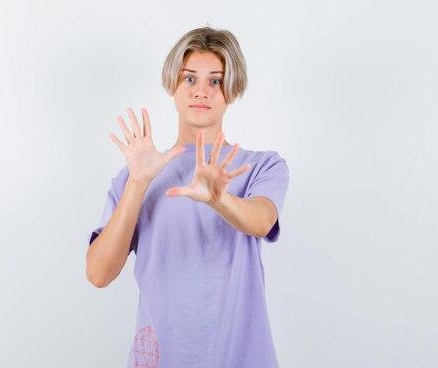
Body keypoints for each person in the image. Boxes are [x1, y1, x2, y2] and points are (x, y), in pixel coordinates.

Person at [85, 26, 290, 368]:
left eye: (215, 80)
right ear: (174, 85)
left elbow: (262, 220)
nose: (202, 92)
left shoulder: (261, 166)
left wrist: (217, 199)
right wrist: (138, 182)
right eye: (189, 78)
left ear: (233, 89)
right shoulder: (138, 173)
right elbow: (98, 273)